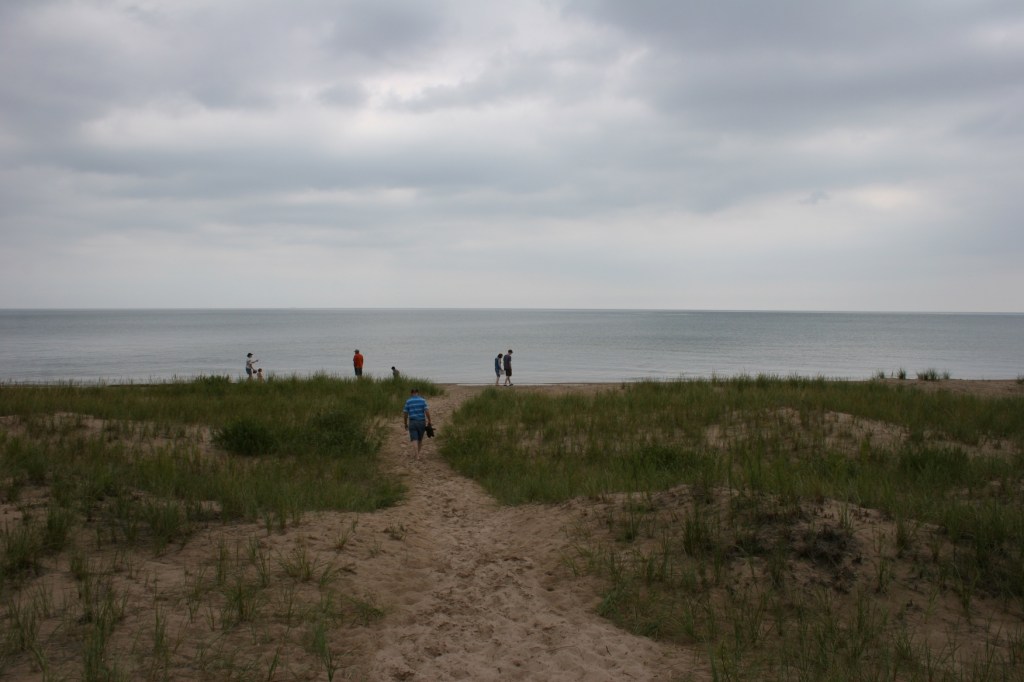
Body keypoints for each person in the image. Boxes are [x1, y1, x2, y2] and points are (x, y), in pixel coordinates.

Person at [402, 388, 432, 460]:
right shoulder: (423, 400)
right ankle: (418, 454)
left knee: (414, 439)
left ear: (411, 393)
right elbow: (427, 411)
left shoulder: (408, 401)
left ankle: (417, 455)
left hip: (412, 422)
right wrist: (429, 420)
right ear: (418, 393)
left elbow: (405, 413)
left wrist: (405, 423)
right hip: (421, 422)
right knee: (420, 439)